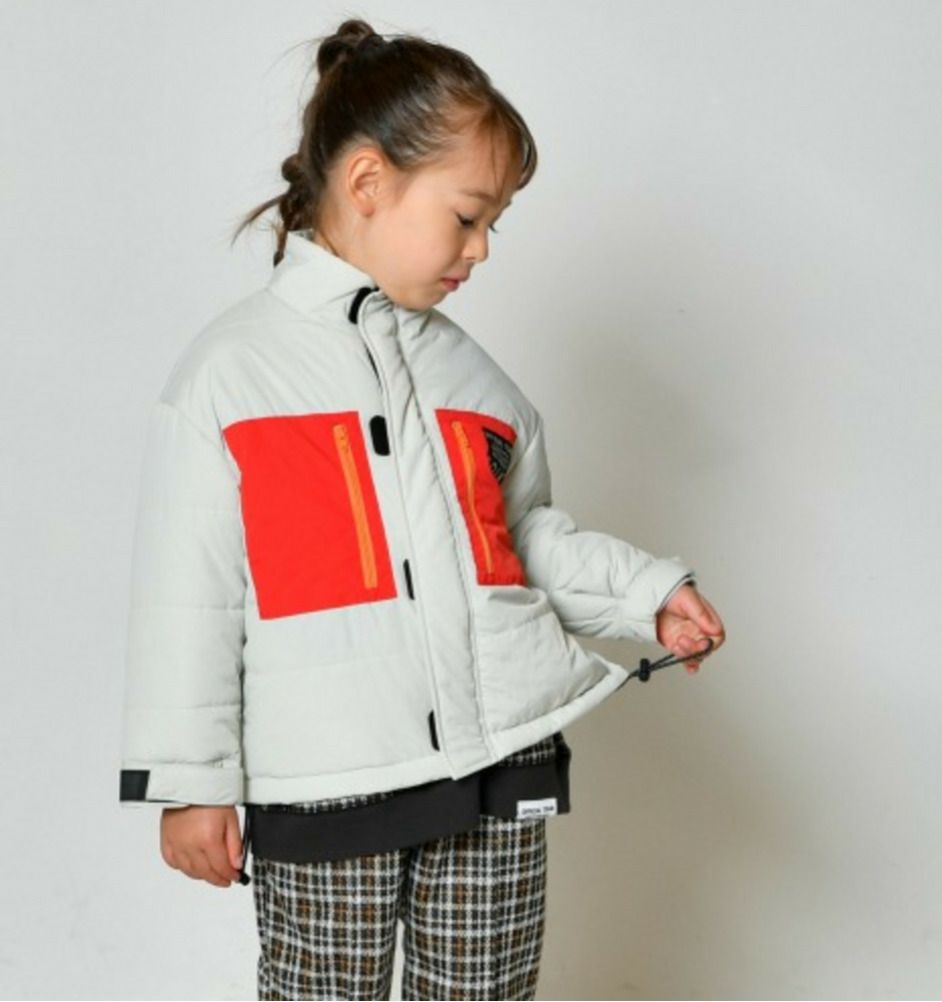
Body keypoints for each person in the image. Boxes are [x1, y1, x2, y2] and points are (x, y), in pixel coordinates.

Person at [118, 17, 726, 1001]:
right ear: (369, 182)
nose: (481, 250)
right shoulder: (232, 377)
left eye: (495, 227)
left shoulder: (476, 382)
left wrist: (646, 596)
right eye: (468, 217)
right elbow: (191, 595)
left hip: (496, 769)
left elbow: (520, 540)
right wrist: (191, 783)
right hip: (327, 786)